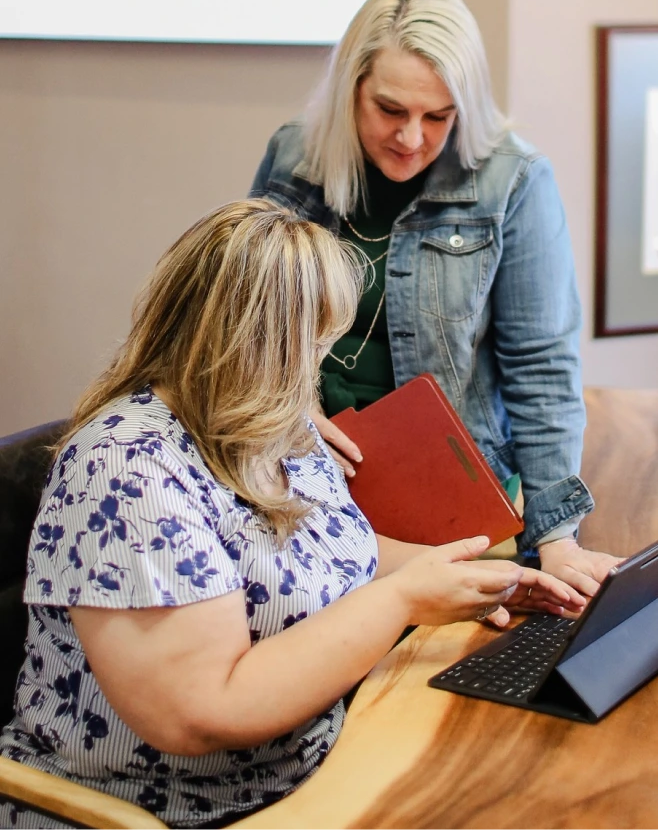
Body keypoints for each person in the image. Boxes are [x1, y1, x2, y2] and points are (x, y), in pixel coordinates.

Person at [0, 199, 584, 830]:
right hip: (178, 809)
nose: (323, 363)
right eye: (314, 341)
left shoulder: (277, 426)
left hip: (327, 763)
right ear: (250, 343)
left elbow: (339, 551)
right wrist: (404, 603)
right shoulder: (127, 467)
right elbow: (202, 712)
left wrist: (482, 576)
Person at [249, 0, 621, 597]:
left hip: (442, 494)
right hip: (298, 476)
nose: (412, 137)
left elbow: (541, 365)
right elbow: (247, 315)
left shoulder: (514, 181)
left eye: (439, 116)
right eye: (390, 110)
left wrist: (555, 535)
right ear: (351, 91)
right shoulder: (295, 156)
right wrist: (298, 408)